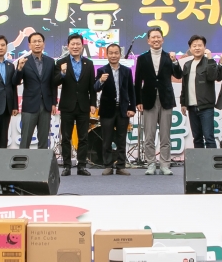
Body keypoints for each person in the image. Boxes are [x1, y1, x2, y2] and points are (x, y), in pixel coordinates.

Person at [134, 28, 184, 175]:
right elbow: (137, 82)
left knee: (165, 135)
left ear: (162, 40)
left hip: (166, 100)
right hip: (148, 99)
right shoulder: (142, 58)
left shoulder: (169, 57)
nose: (156, 40)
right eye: (153, 38)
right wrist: (138, 101)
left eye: (158, 37)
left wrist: (175, 62)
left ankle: (164, 164)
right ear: (148, 40)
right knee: (149, 135)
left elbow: (179, 75)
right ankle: (150, 164)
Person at [55, 33, 97, 176]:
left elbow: (92, 86)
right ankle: (67, 165)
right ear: (68, 46)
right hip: (67, 105)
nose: (75, 46)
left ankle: (81, 166)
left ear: (82, 46)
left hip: (84, 106)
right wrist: (62, 73)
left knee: (83, 137)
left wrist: (93, 103)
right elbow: (54, 82)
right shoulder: (61, 63)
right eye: (72, 44)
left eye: (78, 44)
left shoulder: (89, 63)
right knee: (66, 137)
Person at [96, 42, 136, 175]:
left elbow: (131, 91)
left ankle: (120, 166)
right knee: (106, 139)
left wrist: (132, 108)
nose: (113, 55)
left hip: (123, 110)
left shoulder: (127, 70)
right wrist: (101, 80)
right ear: (107, 55)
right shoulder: (102, 70)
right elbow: (95, 88)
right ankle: (107, 165)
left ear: (120, 54)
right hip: (107, 110)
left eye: (116, 53)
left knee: (121, 138)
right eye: (111, 53)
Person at [14, 32, 58, 150]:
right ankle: (21, 166)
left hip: (46, 105)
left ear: (43, 44)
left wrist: (54, 102)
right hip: (30, 105)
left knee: (44, 141)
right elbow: (16, 82)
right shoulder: (24, 61)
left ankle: (42, 167)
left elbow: (52, 84)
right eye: (34, 41)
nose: (37, 44)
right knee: (25, 139)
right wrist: (19, 69)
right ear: (29, 45)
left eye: (39, 41)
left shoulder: (50, 61)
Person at [181, 35, 219, 149]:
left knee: (209, 137)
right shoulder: (187, 65)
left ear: (204, 47)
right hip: (192, 107)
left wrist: (210, 57)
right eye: (194, 46)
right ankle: (200, 165)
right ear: (190, 48)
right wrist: (183, 103)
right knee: (197, 138)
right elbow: (184, 85)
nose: (197, 48)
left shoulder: (209, 62)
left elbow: (213, 76)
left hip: (206, 107)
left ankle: (212, 165)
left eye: (200, 45)